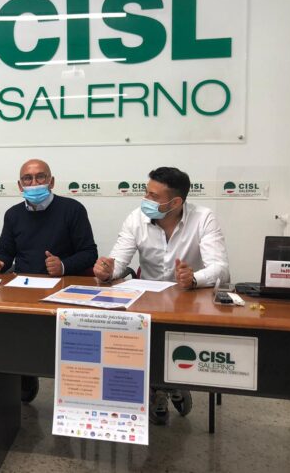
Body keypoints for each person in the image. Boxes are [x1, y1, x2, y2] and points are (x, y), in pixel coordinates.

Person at [93, 166, 230, 424]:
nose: (146, 199)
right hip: (147, 299)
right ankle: (159, 387)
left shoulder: (204, 218)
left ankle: (174, 383)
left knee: (175, 343)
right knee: (133, 335)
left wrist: (194, 278)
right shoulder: (135, 219)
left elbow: (221, 268)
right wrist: (107, 271)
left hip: (188, 299)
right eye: (146, 192)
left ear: (175, 202)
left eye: (153, 196)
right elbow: (118, 263)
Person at [0, 158, 98, 402]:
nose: (34, 183)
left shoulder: (73, 209)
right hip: (24, 290)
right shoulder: (13, 214)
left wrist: (63, 265)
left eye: (40, 177)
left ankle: (73, 383)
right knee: (10, 331)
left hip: (64, 290)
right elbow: (5, 252)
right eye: (28, 178)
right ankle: (25, 372)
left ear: (52, 181)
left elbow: (90, 253)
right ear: (20, 185)